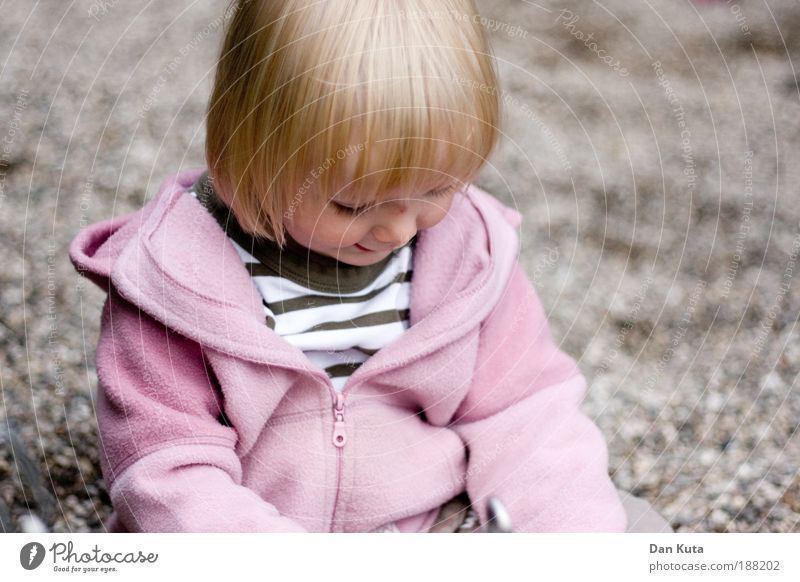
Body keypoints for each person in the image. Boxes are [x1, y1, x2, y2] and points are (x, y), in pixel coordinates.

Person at [69, 0, 670, 533]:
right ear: (242, 156)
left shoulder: (468, 255)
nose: (399, 230)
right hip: (255, 527)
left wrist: (563, 536)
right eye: (354, 205)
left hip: (432, 519)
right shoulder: (174, 281)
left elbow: (523, 408)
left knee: (627, 528)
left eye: (437, 190)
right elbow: (169, 469)